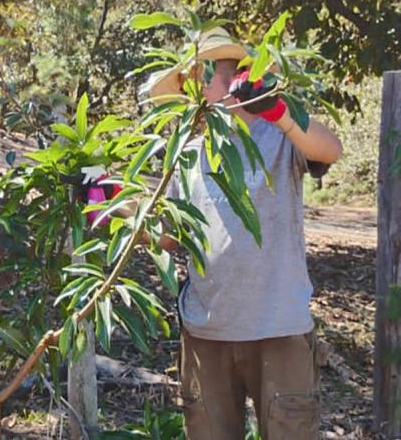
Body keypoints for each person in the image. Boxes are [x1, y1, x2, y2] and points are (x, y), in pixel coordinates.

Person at [143, 28, 342, 440]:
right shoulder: (188, 154)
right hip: (207, 334)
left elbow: (329, 149)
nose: (195, 91)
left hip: (279, 328)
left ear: (236, 79)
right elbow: (168, 237)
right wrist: (105, 200)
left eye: (204, 77)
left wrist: (278, 109)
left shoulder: (280, 137)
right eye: (189, 82)